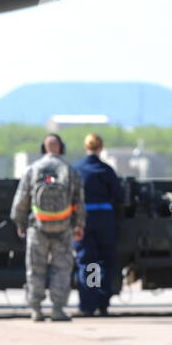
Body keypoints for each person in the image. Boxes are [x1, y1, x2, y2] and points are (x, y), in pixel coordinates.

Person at [11, 133, 85, 322]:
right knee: (62, 268)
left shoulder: (32, 170)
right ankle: (58, 309)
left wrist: (20, 222)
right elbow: (79, 201)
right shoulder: (70, 170)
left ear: (43, 148)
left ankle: (36, 309)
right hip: (63, 227)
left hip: (38, 227)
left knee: (35, 269)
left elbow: (21, 200)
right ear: (61, 147)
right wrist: (79, 225)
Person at [74, 133, 122, 316]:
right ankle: (102, 303)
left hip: (83, 219)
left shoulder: (76, 169)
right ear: (100, 148)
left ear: (86, 147)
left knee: (88, 261)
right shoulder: (106, 170)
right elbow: (118, 195)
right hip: (105, 219)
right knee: (105, 261)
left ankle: (88, 304)